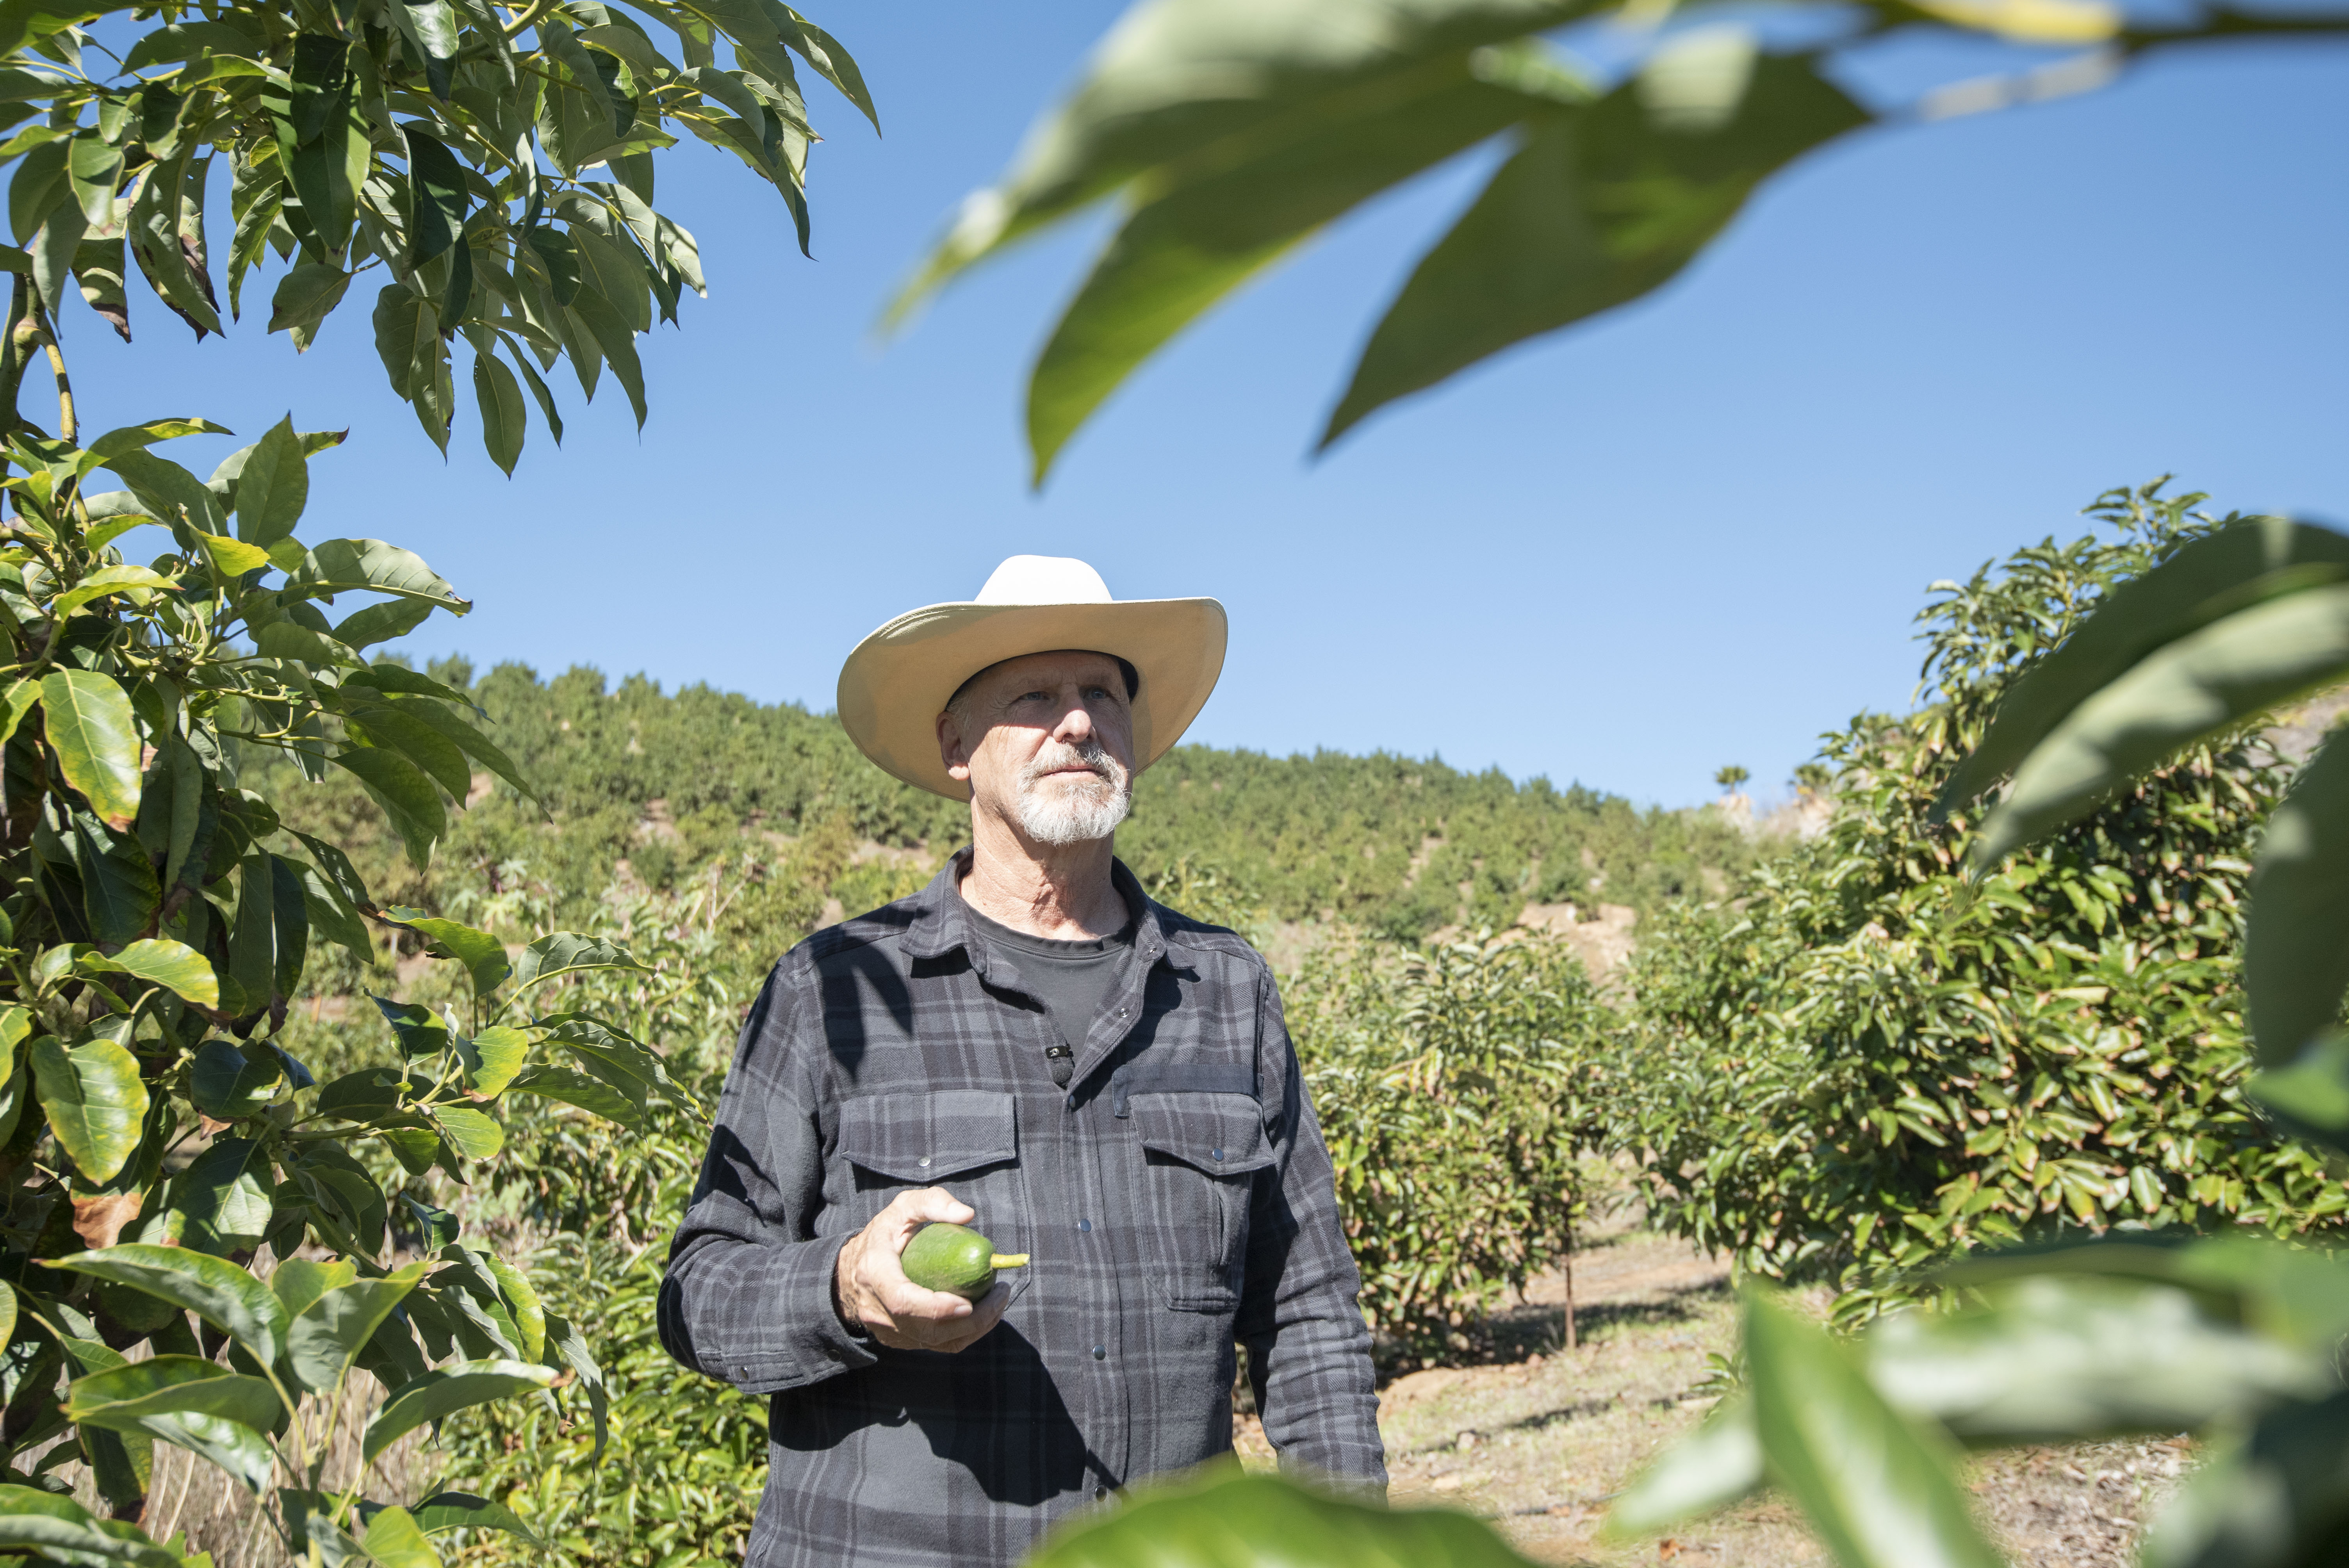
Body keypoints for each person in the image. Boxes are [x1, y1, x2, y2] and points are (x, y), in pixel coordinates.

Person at [657, 555, 1385, 1565]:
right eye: (1034, 695)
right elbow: (699, 1296)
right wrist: (844, 1289)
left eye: (1101, 695)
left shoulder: (1227, 992)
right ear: (956, 745)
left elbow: (1307, 1309)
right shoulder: (835, 991)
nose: (1078, 722)